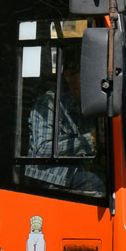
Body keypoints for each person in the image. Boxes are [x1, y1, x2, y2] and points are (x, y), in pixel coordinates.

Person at [26, 57, 103, 193]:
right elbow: (42, 150)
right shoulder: (49, 104)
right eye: (85, 76)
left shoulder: (84, 103)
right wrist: (90, 140)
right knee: (99, 185)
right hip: (50, 175)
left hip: (76, 168)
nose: (91, 83)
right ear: (68, 75)